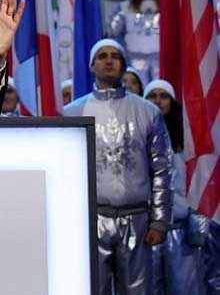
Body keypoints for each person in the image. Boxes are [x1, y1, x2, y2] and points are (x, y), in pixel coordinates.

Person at [64, 39, 172, 295]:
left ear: (124, 65)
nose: (109, 60)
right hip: (92, 219)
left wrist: (159, 221)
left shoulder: (147, 111)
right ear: (92, 66)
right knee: (91, 288)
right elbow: (66, 173)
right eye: (102, 56)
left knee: (137, 291)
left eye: (115, 56)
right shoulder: (73, 112)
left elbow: (161, 168)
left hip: (137, 219)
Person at [144, 80, 209, 295]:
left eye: (163, 96)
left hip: (180, 229)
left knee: (184, 288)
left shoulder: (184, 139)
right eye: (152, 96)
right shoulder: (138, 137)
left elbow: (197, 181)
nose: (158, 101)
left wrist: (198, 222)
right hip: (147, 231)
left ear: (171, 101)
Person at [111, 0, 160, 85]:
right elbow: (114, 30)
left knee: (157, 86)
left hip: (159, 57)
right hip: (135, 56)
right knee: (138, 85)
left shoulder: (164, 3)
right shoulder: (126, 6)